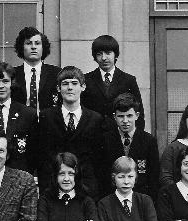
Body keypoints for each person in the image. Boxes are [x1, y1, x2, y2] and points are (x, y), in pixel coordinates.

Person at [37, 66, 103, 197]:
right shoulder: (46, 117)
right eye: (65, 84)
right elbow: (42, 155)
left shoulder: (95, 119)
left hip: (86, 189)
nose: (70, 88)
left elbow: (98, 159)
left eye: (74, 83)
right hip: (54, 187)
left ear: (83, 87)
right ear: (58, 88)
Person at [101, 93, 159, 200]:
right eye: (120, 116)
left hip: (140, 199)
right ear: (114, 117)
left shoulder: (148, 140)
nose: (125, 121)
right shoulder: (105, 140)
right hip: (113, 198)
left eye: (129, 116)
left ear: (137, 115)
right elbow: (103, 174)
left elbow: (153, 177)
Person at [81, 35, 145, 131]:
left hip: (120, 136)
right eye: (99, 54)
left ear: (115, 54)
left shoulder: (128, 80)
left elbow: (139, 112)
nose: (104, 58)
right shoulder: (86, 79)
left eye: (108, 53)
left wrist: (135, 139)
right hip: (93, 136)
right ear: (95, 57)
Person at [12, 26, 61, 115]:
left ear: (43, 47)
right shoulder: (12, 74)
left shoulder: (56, 73)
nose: (33, 47)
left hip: (48, 124)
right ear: (21, 47)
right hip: (20, 124)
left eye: (37, 43)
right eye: (29, 43)